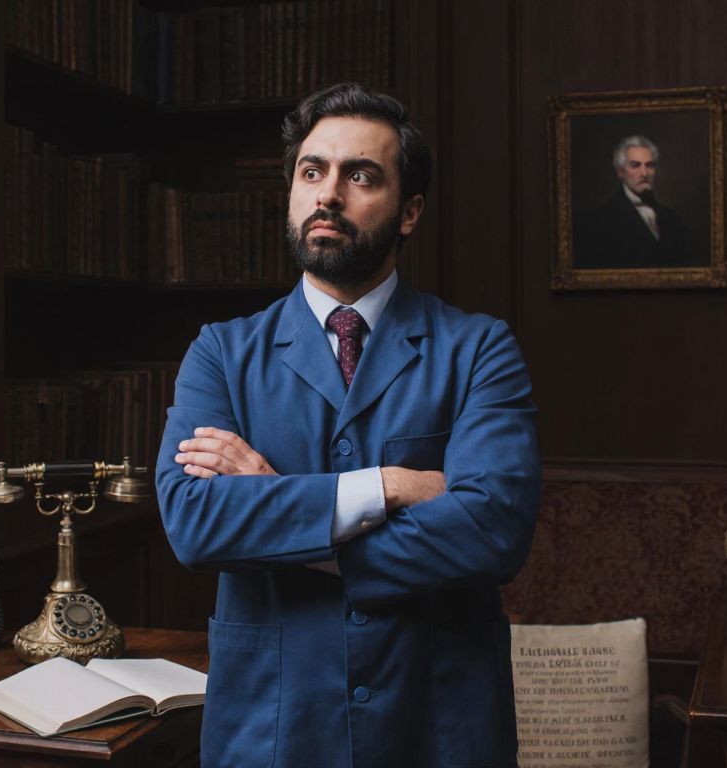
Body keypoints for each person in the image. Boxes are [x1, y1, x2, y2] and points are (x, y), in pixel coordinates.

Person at [155, 82, 541, 767]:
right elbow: (194, 522)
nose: (328, 195)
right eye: (312, 172)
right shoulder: (220, 352)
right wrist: (388, 486)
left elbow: (493, 531)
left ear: (409, 211)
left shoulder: (480, 348)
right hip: (273, 730)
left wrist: (278, 508)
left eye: (360, 176)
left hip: (436, 729)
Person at [579, 134, 692, 269]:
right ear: (620, 172)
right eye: (635, 165)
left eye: (649, 165)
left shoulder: (671, 218)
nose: (644, 173)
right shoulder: (599, 220)